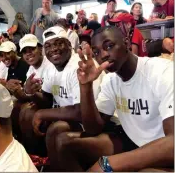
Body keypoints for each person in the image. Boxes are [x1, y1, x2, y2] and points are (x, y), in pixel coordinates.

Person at [53, 26, 174, 171]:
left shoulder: (163, 72)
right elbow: (93, 129)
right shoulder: (111, 80)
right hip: (130, 141)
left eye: (109, 46)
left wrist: (108, 164)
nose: (103, 55)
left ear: (127, 43)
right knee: (64, 143)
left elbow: (172, 142)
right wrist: (85, 86)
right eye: (96, 52)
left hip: (162, 150)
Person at [23, 26, 105, 167]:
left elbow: (81, 111)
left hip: (95, 121)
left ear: (69, 45)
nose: (53, 49)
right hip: (72, 117)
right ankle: (39, 160)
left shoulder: (79, 66)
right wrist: (30, 93)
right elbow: (47, 100)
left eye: (58, 43)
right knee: (28, 110)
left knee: (57, 129)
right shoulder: (51, 68)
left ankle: (56, 166)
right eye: (48, 46)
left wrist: (43, 113)